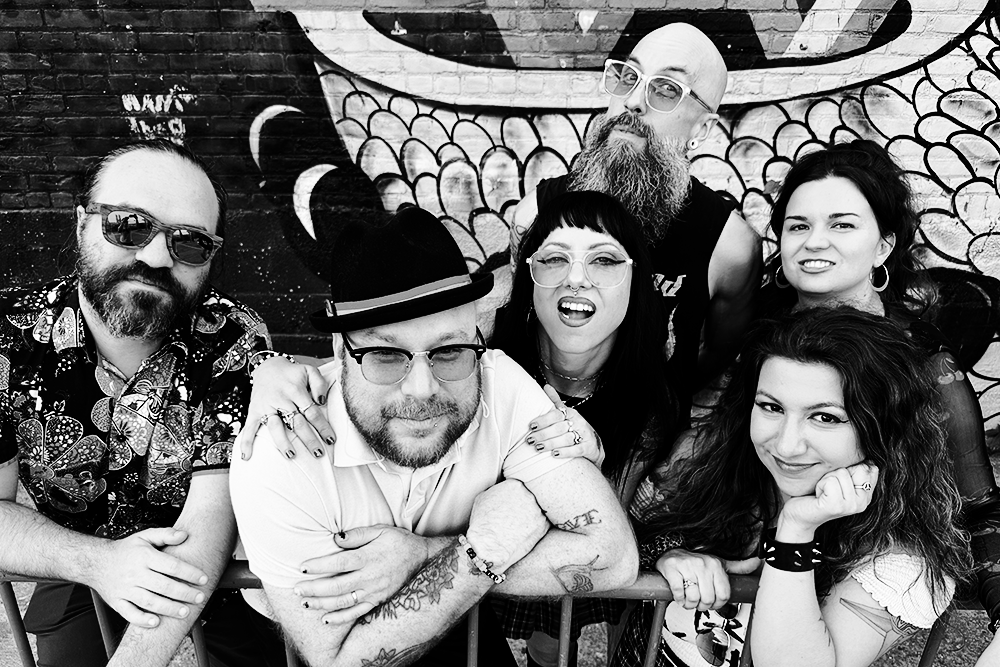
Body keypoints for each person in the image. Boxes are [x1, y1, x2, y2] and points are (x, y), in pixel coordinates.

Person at [229, 205, 638, 666]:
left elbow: (612, 557)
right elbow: (335, 660)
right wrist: (480, 553)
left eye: (449, 350)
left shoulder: (501, 387)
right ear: (340, 350)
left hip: (455, 616)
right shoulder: (283, 450)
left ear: (477, 339)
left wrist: (427, 555)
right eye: (386, 355)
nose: (422, 389)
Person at [0, 139, 281, 667]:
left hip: (216, 568)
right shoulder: (7, 338)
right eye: (128, 226)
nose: (155, 257)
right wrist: (98, 562)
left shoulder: (233, 337)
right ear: (81, 224)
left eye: (190, 242)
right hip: (76, 561)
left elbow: (211, 515)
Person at [613, 307, 971, 667]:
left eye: (825, 417)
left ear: (886, 428)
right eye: (771, 407)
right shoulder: (714, 461)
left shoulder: (903, 567)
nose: (786, 446)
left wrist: (797, 530)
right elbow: (621, 532)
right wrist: (669, 554)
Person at [759, 139, 1000, 641]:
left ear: (884, 245)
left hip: (845, 597)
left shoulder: (922, 362)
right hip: (732, 571)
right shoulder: (755, 335)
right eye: (798, 226)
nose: (814, 242)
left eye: (842, 225)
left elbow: (978, 508)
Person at [509, 22, 762, 405]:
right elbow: (521, 321)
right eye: (629, 77)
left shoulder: (730, 248)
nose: (633, 101)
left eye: (666, 88)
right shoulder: (535, 214)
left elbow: (714, 353)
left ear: (703, 127)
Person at [489, 190, 676, 666]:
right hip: (496, 557)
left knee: (577, 633)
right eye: (554, 258)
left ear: (635, 280)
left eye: (604, 261)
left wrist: (597, 456)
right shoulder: (487, 360)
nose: (576, 277)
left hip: (582, 562)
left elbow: (613, 533)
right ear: (529, 276)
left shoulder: (650, 397)